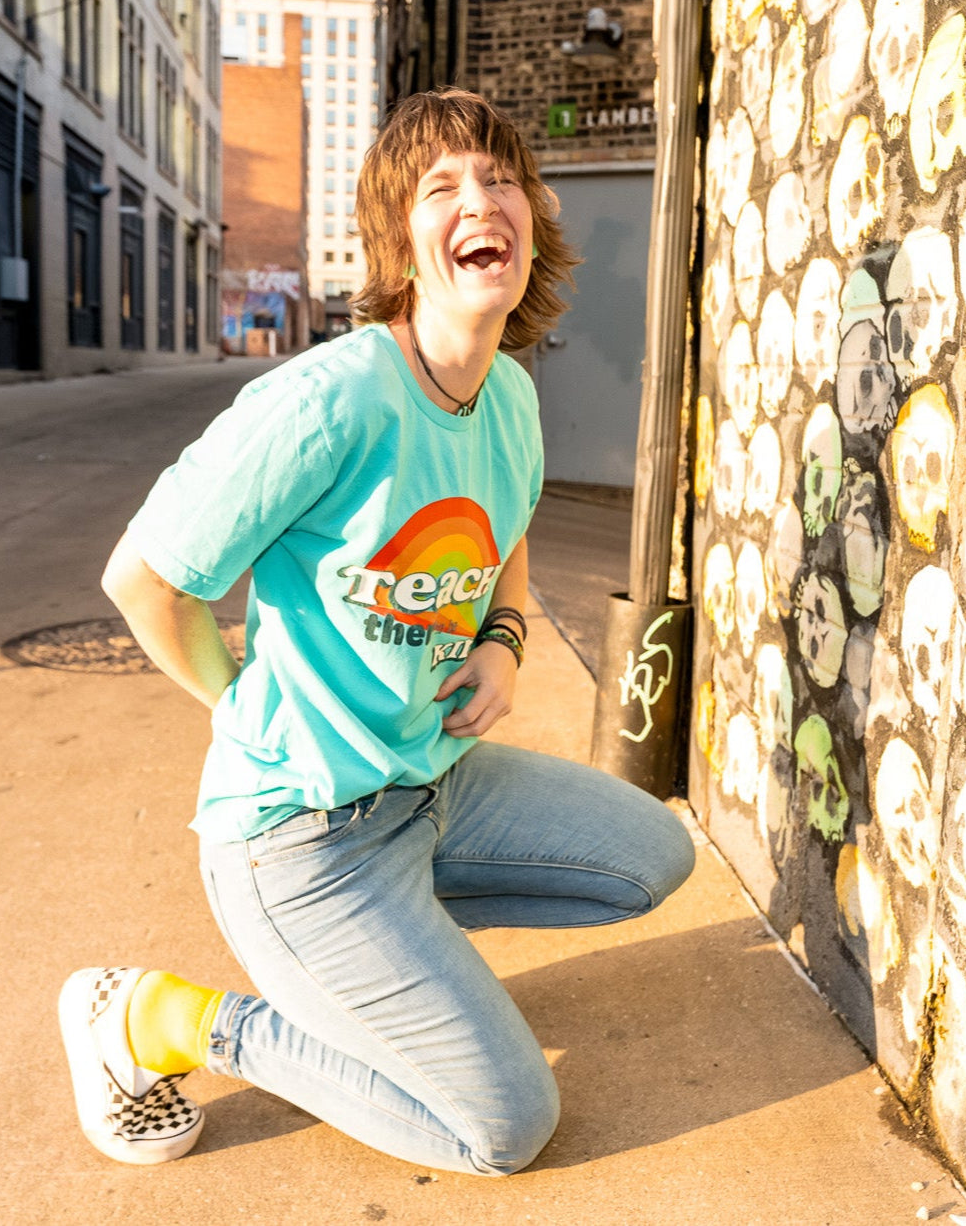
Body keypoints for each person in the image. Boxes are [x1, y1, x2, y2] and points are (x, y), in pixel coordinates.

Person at [58, 87, 695, 1176]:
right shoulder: (327, 403)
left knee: (652, 855)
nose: (478, 199)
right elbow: (144, 581)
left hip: (433, 789)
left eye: (498, 178)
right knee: (501, 1127)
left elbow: (503, 539)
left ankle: (393, 967)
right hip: (301, 839)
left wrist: (501, 640)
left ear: (530, 219)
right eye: (440, 187)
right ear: (399, 243)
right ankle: (160, 1018)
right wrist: (243, 708)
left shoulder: (507, 397)